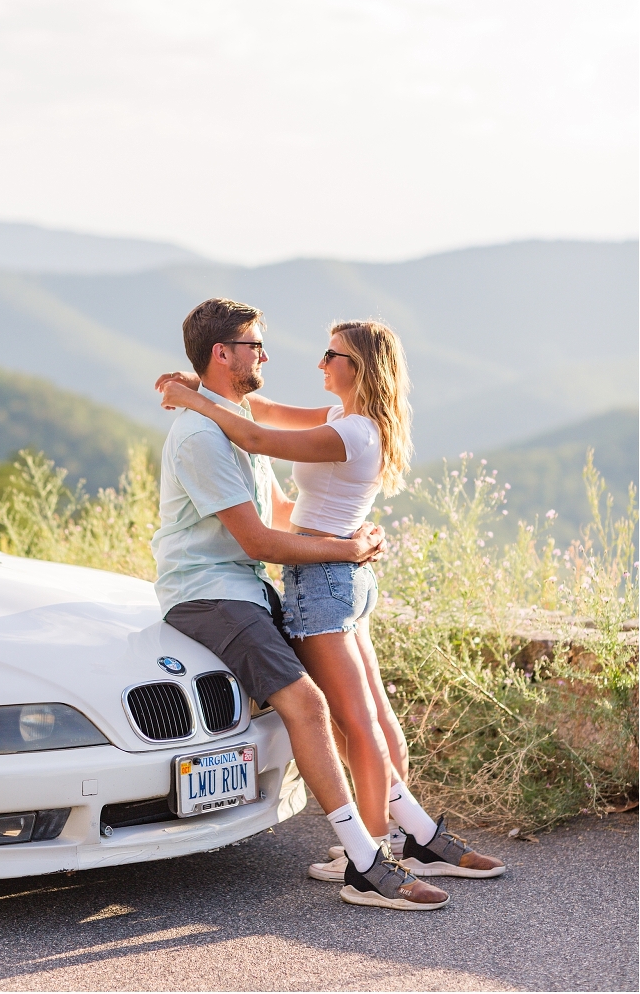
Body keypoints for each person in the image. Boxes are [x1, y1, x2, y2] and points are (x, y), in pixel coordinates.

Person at [158, 315, 505, 885]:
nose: (318, 362)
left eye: (331, 354)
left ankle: (374, 849)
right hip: (339, 575)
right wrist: (197, 388)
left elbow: (258, 436)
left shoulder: (349, 430)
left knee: (356, 722)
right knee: (372, 717)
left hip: (325, 579)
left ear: (358, 367)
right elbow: (262, 417)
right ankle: (413, 836)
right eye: (256, 346)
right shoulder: (345, 419)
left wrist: (195, 398)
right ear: (222, 351)